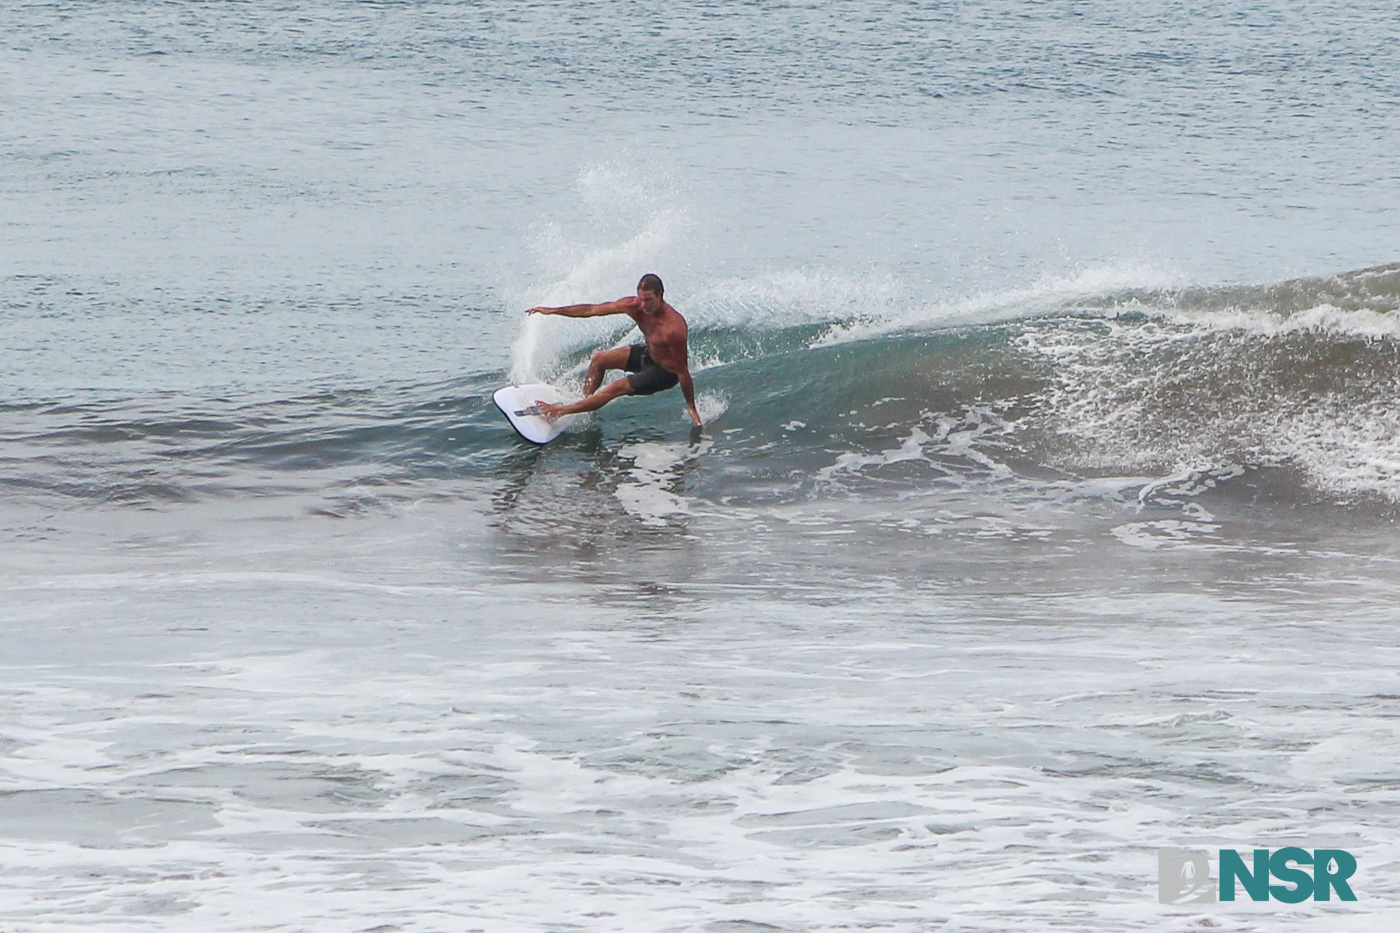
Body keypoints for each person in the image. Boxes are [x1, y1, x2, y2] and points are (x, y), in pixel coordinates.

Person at [525, 273, 702, 426]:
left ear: (661, 295)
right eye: (640, 298)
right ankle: (583, 401)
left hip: (665, 373)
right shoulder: (634, 306)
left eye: (648, 300)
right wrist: (552, 311)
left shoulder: (674, 328)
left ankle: (559, 412)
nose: (643, 304)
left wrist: (691, 407)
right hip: (649, 355)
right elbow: (592, 309)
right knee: (599, 359)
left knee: (617, 387)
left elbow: (682, 372)